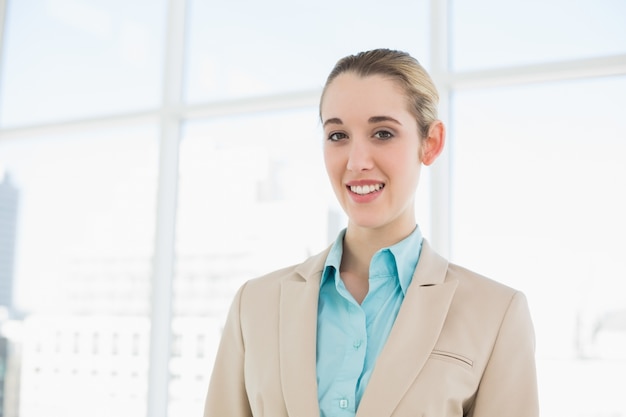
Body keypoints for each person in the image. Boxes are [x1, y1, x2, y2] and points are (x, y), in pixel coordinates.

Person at [203, 48, 539, 417]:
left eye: (382, 133)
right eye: (338, 135)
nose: (357, 162)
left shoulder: (495, 313)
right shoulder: (254, 305)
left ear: (431, 143)